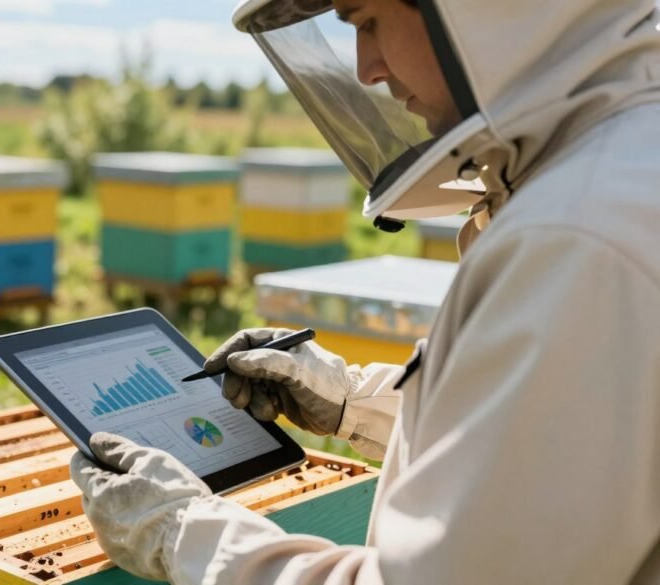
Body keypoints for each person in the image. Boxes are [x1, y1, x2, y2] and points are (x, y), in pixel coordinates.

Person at [70, 0, 660, 583]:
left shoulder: (579, 239)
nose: (366, 69)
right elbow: (554, 457)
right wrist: (353, 401)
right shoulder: (620, 170)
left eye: (366, 21)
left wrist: (184, 534)